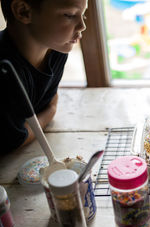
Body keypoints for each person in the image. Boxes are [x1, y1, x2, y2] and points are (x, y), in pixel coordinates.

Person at [0, 0, 87, 154]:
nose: (82, 26)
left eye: (83, 15)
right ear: (23, 12)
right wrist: (51, 110)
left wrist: (46, 111)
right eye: (70, 15)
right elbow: (14, 140)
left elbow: (47, 100)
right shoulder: (4, 70)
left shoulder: (57, 51)